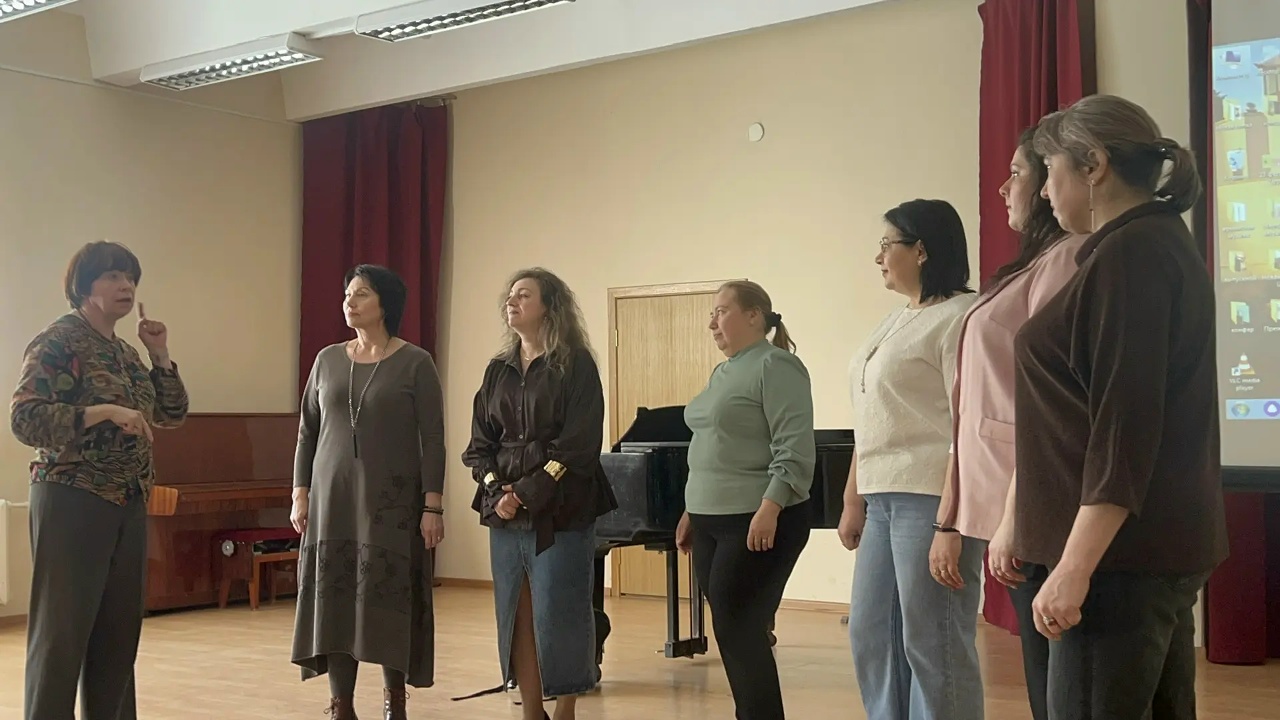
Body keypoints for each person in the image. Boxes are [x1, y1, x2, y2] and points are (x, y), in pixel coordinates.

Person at [1013, 94, 1225, 719]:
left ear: (1094, 165)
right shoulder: (1150, 243)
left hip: (1118, 564)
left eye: (1051, 171)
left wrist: (1075, 567)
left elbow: (1124, 427)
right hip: (1137, 556)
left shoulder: (1132, 255)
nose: (1045, 190)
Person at [931, 123, 1086, 720]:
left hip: (1035, 502)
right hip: (1009, 499)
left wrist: (1014, 516)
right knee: (1044, 680)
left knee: (1058, 684)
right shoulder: (1035, 264)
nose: (1004, 188)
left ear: (1049, 182)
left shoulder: (1065, 258)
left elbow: (1050, 396)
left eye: (1017, 173)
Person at [11, 240, 189, 720]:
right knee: (61, 636)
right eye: (112, 276)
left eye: (130, 277)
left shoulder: (125, 352)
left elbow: (171, 414)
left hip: (127, 500)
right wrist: (101, 412)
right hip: (72, 496)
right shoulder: (58, 341)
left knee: (117, 637)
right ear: (84, 286)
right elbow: (24, 419)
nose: (125, 285)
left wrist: (159, 354)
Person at [838, 199, 981, 720]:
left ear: (920, 250)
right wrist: (853, 497)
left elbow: (970, 423)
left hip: (932, 498)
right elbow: (871, 415)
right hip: (881, 499)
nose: (878, 257)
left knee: (934, 641)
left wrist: (952, 520)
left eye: (886, 245)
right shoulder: (896, 319)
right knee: (870, 632)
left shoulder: (963, 317)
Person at [290, 264, 446, 720]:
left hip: (391, 505)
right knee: (336, 600)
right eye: (348, 293)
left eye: (361, 294)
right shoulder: (326, 360)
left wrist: (433, 505)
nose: (349, 301)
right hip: (332, 503)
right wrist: (300, 492)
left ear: (385, 304)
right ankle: (341, 705)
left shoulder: (415, 362)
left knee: (387, 598)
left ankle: (394, 701)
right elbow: (307, 432)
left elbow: (433, 438)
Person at [461, 267, 616, 720]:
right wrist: (497, 492)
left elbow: (579, 444)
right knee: (517, 615)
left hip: (563, 510)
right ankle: (532, 710)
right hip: (505, 513)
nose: (512, 301)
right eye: (510, 295)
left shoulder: (576, 364)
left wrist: (527, 492)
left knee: (561, 610)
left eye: (524, 295)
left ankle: (565, 708)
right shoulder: (497, 370)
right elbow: (479, 445)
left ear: (550, 306)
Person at [672, 280, 815, 720]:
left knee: (740, 627)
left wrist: (770, 507)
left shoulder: (777, 365)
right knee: (730, 627)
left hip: (756, 516)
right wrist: (691, 510)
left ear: (754, 316)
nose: (711, 323)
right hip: (709, 517)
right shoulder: (723, 372)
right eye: (711, 314)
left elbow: (793, 446)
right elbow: (713, 445)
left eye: (721, 311)